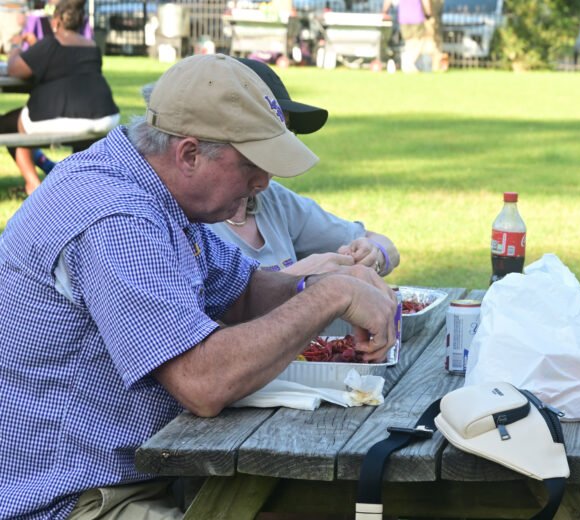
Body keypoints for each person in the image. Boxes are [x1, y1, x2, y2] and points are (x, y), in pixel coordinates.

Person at [0, 54, 398, 519]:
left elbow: (243, 292)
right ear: (189, 153)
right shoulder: (118, 218)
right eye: (252, 164)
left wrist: (327, 279)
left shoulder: (150, 187)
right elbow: (203, 382)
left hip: (147, 471)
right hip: (76, 499)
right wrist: (331, 296)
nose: (264, 182)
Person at [206, 59, 400, 278]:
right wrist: (297, 279)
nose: (266, 177)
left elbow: (386, 246)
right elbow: (214, 309)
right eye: (264, 142)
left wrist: (374, 254)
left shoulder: (273, 200)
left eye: (285, 136)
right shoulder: (193, 220)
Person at [1, 0, 118, 196]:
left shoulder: (51, 43)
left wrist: (14, 47)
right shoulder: (91, 46)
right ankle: (74, 184)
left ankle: (33, 186)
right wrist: (36, 47)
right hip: (103, 116)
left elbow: (15, 69)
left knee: (10, 124)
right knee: (83, 130)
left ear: (55, 22)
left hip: (61, 116)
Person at [381, 0, 434, 73]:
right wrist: (428, 13)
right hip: (416, 17)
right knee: (419, 41)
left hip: (403, 18)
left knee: (409, 42)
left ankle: (408, 64)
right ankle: (408, 62)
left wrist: (384, 11)